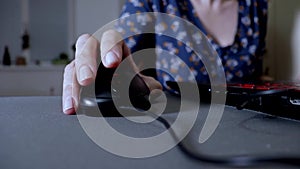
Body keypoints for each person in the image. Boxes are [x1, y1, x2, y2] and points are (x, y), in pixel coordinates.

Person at [62, 0, 268, 115]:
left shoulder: (257, 5)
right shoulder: (153, 2)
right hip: (179, 122)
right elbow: (121, 42)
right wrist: (100, 56)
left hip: (252, 122)